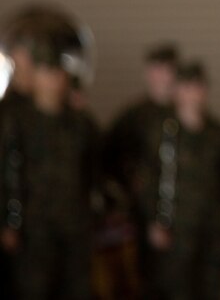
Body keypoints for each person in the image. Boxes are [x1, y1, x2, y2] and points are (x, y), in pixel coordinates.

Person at [0, 41, 101, 299]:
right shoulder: (16, 119)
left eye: (59, 72)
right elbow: (8, 174)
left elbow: (95, 168)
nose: (54, 80)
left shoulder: (80, 122)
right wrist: (10, 222)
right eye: (47, 72)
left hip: (74, 226)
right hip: (34, 229)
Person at [144, 61, 220, 300]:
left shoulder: (219, 134)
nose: (194, 93)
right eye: (187, 87)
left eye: (198, 86)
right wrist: (155, 221)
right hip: (177, 231)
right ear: (177, 91)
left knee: (212, 288)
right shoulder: (164, 133)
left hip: (212, 228)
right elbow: (149, 181)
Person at [103, 42, 180, 293]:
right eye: (157, 70)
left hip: (183, 215)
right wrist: (125, 193)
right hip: (142, 216)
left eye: (169, 70)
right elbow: (106, 159)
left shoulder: (184, 114)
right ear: (149, 73)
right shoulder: (134, 117)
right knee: (146, 281)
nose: (163, 77)